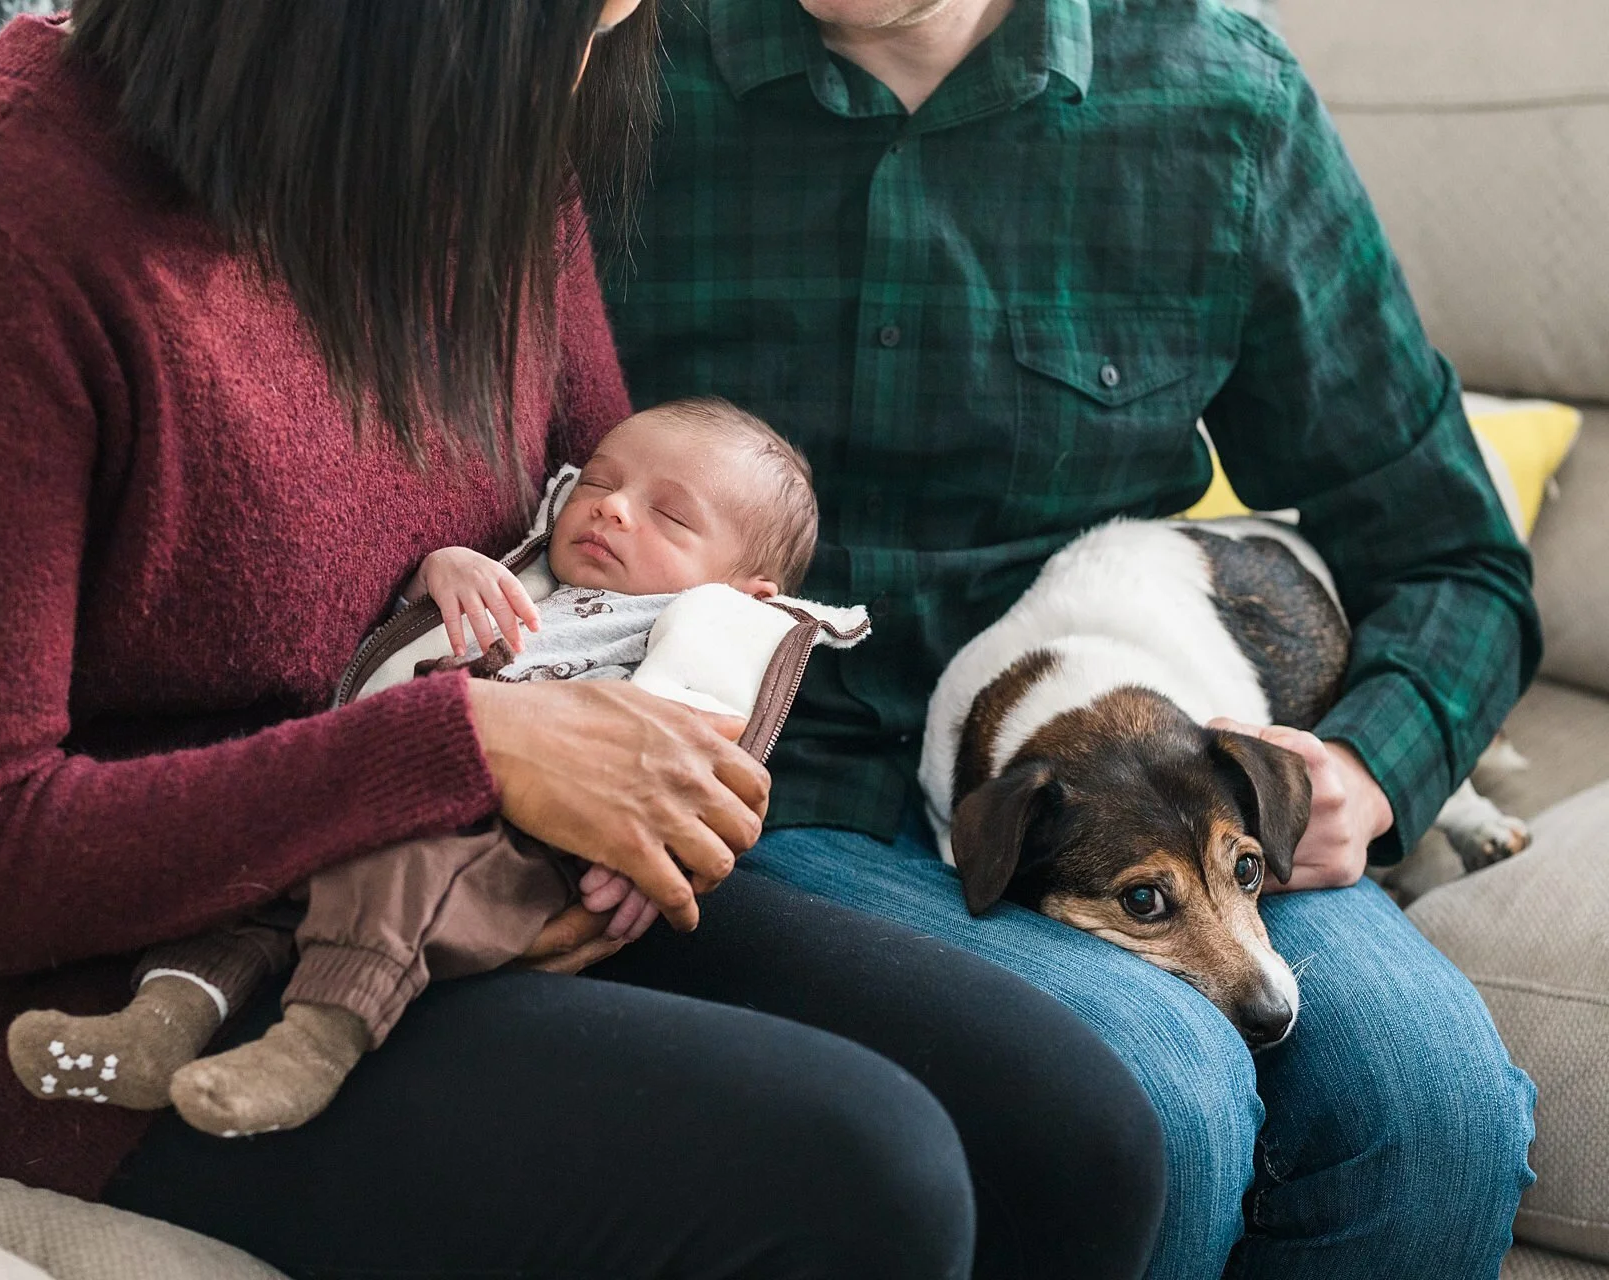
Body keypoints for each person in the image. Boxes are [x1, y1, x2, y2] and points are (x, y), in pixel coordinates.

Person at [0, 2, 1166, 1277]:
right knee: (871, 1171)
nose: (595, 57)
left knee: (1075, 1128)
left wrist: (669, 785)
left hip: (481, 868)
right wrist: (465, 745)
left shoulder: (469, 143)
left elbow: (618, 570)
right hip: (127, 973)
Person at [592, 1, 1537, 1277]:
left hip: (1150, 788)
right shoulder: (614, 73)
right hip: (775, 788)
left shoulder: (1222, 101)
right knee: (1161, 1098)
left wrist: (1366, 770)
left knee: (1437, 1116)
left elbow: (1453, 554)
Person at [3, 399, 824, 1140]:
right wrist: (449, 564)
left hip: (510, 845)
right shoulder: (527, 574)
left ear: (746, 593)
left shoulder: (708, 631)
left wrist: (657, 857)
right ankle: (158, 1024)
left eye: (670, 515)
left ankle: (313, 1045)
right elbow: (419, 637)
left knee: (392, 875)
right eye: (597, 483)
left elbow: (703, 768)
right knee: (264, 857)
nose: (610, 506)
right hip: (393, 773)